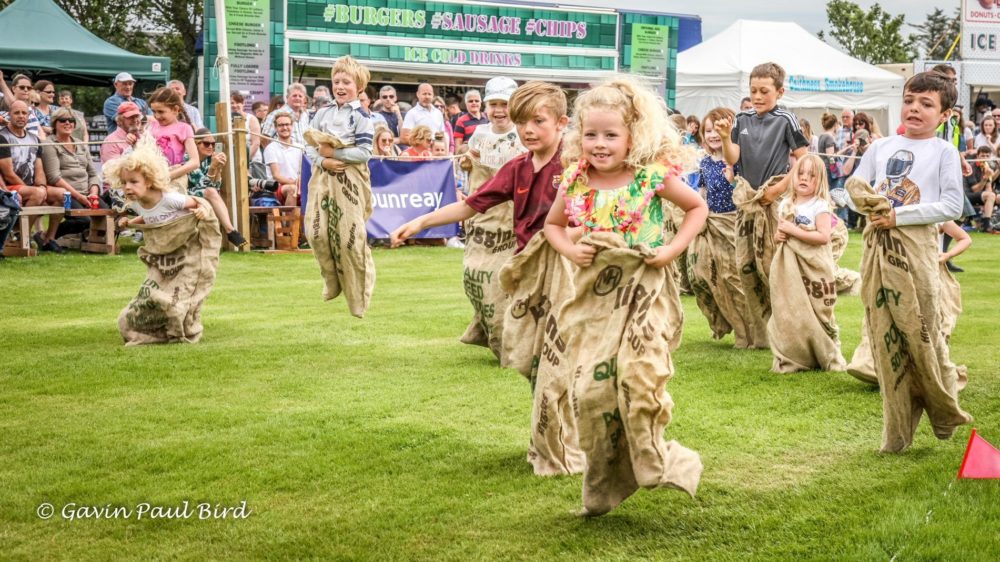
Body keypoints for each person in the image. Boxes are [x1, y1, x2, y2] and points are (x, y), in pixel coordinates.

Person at [543, 75, 707, 516]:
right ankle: (601, 488)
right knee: (591, 394)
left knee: (638, 378)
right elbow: (552, 227)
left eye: (610, 134)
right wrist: (571, 248)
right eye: (590, 133)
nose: (599, 143)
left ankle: (661, 460)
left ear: (632, 135)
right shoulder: (575, 180)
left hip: (646, 294)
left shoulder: (650, 178)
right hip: (596, 300)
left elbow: (697, 208)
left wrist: (670, 250)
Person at [846, 70, 971, 453]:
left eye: (926, 104)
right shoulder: (880, 148)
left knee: (924, 334)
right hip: (878, 249)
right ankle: (896, 434)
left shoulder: (944, 152)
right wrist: (863, 200)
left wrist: (899, 216)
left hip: (918, 248)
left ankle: (943, 405)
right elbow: (854, 188)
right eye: (910, 100)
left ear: (944, 113)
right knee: (886, 339)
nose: (915, 109)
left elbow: (952, 206)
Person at [391, 80, 568, 254]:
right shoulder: (516, 168)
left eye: (538, 121)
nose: (528, 129)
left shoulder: (574, 166)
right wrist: (420, 222)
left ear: (561, 123)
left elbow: (588, 224)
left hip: (567, 264)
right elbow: (469, 206)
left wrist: (567, 244)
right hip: (528, 265)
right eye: (521, 122)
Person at [769, 154, 845, 371]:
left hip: (813, 268)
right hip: (790, 269)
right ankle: (795, 355)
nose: (804, 178)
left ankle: (826, 353)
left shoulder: (819, 205)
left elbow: (823, 237)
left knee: (817, 311)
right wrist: (780, 237)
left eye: (811, 175)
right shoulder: (786, 204)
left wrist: (794, 231)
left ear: (819, 180)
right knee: (791, 310)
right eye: (800, 173)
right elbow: (778, 235)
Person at [0, 100, 64, 252]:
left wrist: (41, 185)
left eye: (24, 113)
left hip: (30, 186)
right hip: (8, 187)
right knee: (37, 193)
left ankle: (48, 239)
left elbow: (39, 169)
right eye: (17, 113)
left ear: (29, 116)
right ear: (9, 115)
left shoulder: (34, 138)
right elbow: (8, 174)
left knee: (61, 194)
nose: (21, 116)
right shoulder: (2, 137)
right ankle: (21, 236)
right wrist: (35, 190)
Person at [108, 136, 209, 229]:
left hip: (185, 238)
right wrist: (130, 222)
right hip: (165, 242)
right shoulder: (137, 203)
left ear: (148, 181)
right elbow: (150, 216)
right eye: (124, 182)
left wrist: (202, 209)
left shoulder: (170, 198)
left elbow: (197, 202)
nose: (127, 187)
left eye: (134, 182)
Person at [303, 55, 373, 177]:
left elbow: (364, 153)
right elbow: (309, 144)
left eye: (346, 82)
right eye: (336, 82)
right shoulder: (322, 112)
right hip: (322, 179)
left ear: (359, 87)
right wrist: (322, 161)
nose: (340, 86)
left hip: (351, 182)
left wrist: (333, 152)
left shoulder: (361, 116)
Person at [42, 107, 102, 209]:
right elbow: (54, 178)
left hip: (88, 194)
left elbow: (92, 174)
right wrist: (79, 197)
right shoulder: (49, 144)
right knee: (83, 221)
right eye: (62, 120)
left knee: (107, 216)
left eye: (71, 120)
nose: (67, 123)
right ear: (54, 124)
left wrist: (94, 193)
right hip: (67, 195)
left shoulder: (80, 143)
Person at [146, 87, 200, 192]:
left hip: (174, 178)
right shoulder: (152, 126)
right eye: (154, 112)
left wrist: (169, 175)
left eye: (161, 112)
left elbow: (195, 161)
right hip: (152, 176)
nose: (157, 116)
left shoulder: (184, 128)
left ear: (175, 109)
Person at [262, 113, 303, 206]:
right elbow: (276, 176)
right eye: (281, 125)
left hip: (297, 185)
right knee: (292, 189)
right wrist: (295, 183)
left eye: (287, 124)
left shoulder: (300, 147)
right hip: (276, 187)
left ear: (292, 126)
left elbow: (303, 171)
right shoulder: (271, 148)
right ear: (276, 128)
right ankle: (290, 220)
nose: (285, 128)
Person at [0, 74, 48, 139]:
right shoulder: (4, 105)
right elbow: (14, 104)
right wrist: (2, 82)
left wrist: (41, 141)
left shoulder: (30, 108)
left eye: (29, 88)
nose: (26, 90)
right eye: (22, 87)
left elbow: (39, 129)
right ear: (13, 88)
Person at [964, 145, 997, 233]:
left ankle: (994, 223)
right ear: (977, 156)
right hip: (967, 196)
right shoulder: (972, 167)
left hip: (980, 195)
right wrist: (985, 178)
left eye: (987, 156)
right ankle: (986, 226)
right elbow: (975, 189)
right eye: (983, 156)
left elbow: (988, 187)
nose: (985, 158)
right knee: (990, 196)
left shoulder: (988, 166)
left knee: (994, 196)